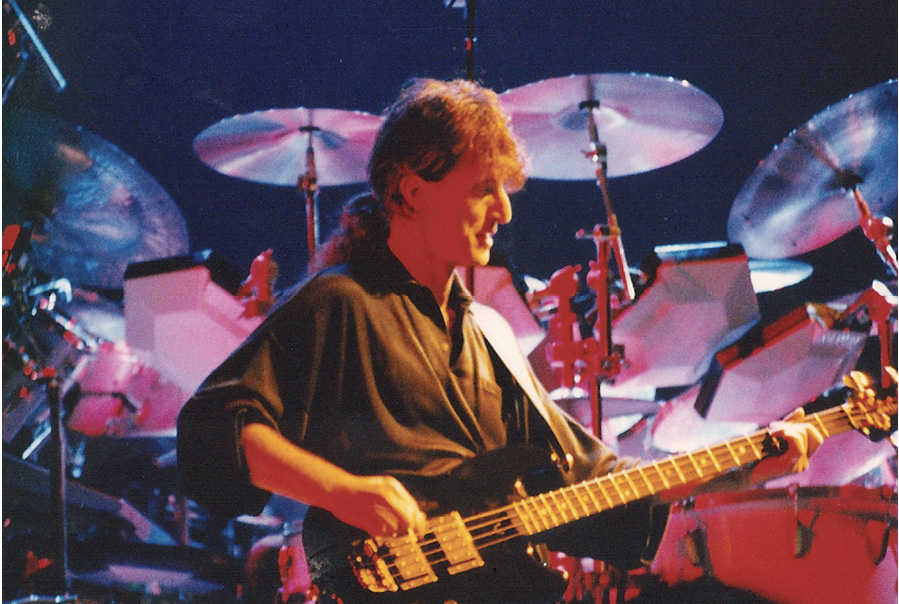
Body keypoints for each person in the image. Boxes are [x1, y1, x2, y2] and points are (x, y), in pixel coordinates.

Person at [176, 78, 822, 604]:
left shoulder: (490, 335)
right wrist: (342, 491)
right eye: (484, 188)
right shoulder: (340, 303)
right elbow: (216, 426)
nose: (504, 210)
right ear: (411, 189)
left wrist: (741, 464)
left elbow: (587, 482)